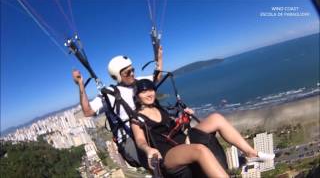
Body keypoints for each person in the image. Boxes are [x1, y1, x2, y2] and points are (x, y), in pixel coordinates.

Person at [131, 79, 275, 177]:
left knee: (216, 118)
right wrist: (148, 149)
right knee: (200, 150)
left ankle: (251, 154)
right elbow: (140, 140)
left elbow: (171, 125)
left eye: (151, 90)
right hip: (168, 155)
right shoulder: (136, 118)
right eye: (144, 92)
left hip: (183, 142)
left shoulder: (159, 109)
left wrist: (184, 116)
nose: (149, 94)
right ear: (137, 96)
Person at [72, 46, 163, 167]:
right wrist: (80, 85)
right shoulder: (111, 94)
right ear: (117, 76)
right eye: (128, 72)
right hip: (129, 139)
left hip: (149, 130)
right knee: (159, 163)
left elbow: (157, 78)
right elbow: (88, 111)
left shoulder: (139, 82)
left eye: (133, 70)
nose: (132, 74)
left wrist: (159, 58)